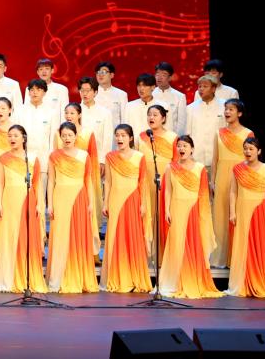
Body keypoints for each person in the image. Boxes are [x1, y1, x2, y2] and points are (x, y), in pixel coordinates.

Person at [158, 135, 222, 299]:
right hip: (176, 208)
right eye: (179, 146)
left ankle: (191, 278)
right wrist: (167, 210)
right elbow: (168, 190)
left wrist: (202, 214)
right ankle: (175, 280)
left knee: (193, 244)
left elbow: (203, 194)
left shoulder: (200, 168)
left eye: (185, 146)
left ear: (192, 149)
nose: (181, 148)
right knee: (176, 243)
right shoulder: (170, 167)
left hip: (193, 209)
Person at [225, 136, 265, 299]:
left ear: (259, 151)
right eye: (245, 148)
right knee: (243, 246)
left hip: (259, 212)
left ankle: (261, 280)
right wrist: (232, 212)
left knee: (260, 245)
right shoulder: (237, 168)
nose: (247, 151)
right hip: (242, 211)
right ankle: (242, 282)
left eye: (251, 149)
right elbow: (233, 192)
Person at [0, 124, 47, 293]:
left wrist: (39, 203)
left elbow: (37, 183)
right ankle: (8, 278)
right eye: (9, 136)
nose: (12, 138)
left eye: (15, 135)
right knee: (9, 237)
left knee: (26, 238)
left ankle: (26, 278)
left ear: (24, 138)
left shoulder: (32, 158)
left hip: (27, 201)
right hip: (8, 201)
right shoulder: (2, 158)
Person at [46, 122, 98, 293]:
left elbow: (88, 180)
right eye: (64, 135)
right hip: (60, 197)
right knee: (60, 236)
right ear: (60, 137)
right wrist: (50, 204)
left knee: (78, 235)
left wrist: (91, 202)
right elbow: (51, 181)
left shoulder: (84, 155)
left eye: (70, 135)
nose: (67, 138)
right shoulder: (54, 156)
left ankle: (78, 276)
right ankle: (59, 277)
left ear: (76, 136)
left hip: (79, 198)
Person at [100, 124, 151, 293]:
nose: (119, 138)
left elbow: (143, 182)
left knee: (132, 236)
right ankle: (117, 275)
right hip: (115, 199)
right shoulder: (110, 157)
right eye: (117, 135)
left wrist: (143, 203)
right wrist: (105, 202)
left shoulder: (139, 157)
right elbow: (108, 182)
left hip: (133, 199)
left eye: (123, 135)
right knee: (116, 235)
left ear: (130, 138)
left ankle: (133, 275)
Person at [211, 99, 254, 267]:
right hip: (222, 178)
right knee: (220, 217)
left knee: (238, 216)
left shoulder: (248, 134)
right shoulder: (219, 133)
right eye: (226, 109)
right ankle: (220, 258)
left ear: (240, 113)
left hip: (240, 178)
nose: (227, 112)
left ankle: (237, 257)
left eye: (231, 109)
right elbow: (215, 159)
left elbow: (251, 160)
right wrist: (212, 181)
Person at [59, 103, 102, 254]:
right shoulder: (60, 133)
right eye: (66, 113)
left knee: (83, 217)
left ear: (80, 114)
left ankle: (86, 251)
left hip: (82, 178)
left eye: (72, 113)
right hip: (64, 180)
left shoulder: (88, 133)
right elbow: (56, 156)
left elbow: (93, 158)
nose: (69, 116)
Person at [141, 104, 176, 261]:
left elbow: (177, 162)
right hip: (145, 182)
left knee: (163, 215)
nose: (151, 117)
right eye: (149, 114)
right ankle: (147, 255)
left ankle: (164, 256)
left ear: (163, 118)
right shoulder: (142, 137)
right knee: (147, 215)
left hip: (165, 182)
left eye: (155, 115)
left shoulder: (173, 137)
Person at [18, 79, 54, 201]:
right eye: (32, 90)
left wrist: (50, 161)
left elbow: (53, 139)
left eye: (38, 90)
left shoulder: (51, 112)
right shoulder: (20, 111)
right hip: (23, 159)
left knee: (40, 197)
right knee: (23, 196)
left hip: (43, 159)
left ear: (44, 92)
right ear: (28, 92)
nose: (35, 92)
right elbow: (15, 135)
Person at [186, 75, 224, 176]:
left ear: (213, 89)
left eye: (205, 86)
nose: (201, 89)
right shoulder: (190, 108)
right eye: (199, 86)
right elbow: (187, 134)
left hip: (218, 157)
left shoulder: (224, 106)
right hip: (196, 158)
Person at [124, 74, 162, 151]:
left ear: (153, 87)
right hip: (134, 150)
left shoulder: (162, 106)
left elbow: (167, 130)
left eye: (144, 85)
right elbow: (125, 129)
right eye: (139, 85)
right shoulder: (129, 106)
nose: (141, 89)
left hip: (156, 149)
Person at [25, 58, 68, 126]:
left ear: (52, 70)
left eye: (47, 69)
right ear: (37, 72)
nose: (44, 72)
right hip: (35, 125)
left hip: (55, 126)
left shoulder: (62, 89)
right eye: (41, 69)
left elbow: (65, 112)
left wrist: (63, 129)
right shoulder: (30, 89)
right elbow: (27, 109)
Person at [152, 62, 187, 134]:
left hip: (172, 136)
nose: (159, 77)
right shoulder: (150, 94)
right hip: (153, 136)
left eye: (164, 75)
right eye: (157, 74)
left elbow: (181, 122)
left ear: (170, 77)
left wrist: (177, 137)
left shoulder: (180, 96)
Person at [94, 61, 127, 126]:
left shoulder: (121, 94)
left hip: (114, 131)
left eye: (104, 72)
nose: (100, 75)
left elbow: (124, 119)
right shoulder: (90, 93)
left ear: (112, 75)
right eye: (98, 72)